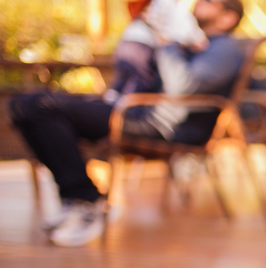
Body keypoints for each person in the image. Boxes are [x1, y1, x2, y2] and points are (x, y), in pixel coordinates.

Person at [9, 0, 246, 248]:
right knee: (22, 105)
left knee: (41, 107)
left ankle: (85, 199)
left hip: (159, 125)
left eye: (209, 1)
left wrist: (167, 43)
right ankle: (78, 198)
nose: (197, 2)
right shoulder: (195, 43)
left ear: (228, 18)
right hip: (136, 111)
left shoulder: (225, 48)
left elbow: (184, 86)